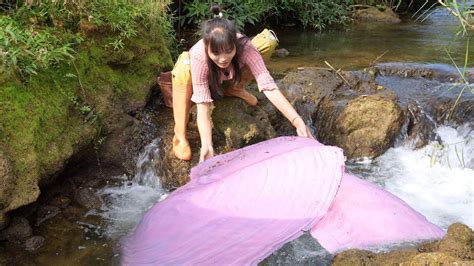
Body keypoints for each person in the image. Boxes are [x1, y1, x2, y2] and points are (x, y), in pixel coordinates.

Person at [171, 4, 313, 162]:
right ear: (207, 48)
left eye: (228, 50)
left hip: (227, 74)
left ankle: (234, 88)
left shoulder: (245, 46)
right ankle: (179, 135)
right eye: (216, 52)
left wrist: (298, 122)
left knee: (267, 41)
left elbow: (269, 87)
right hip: (206, 78)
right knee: (183, 69)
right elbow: (203, 107)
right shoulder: (199, 55)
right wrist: (207, 145)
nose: (223, 58)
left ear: (235, 45)